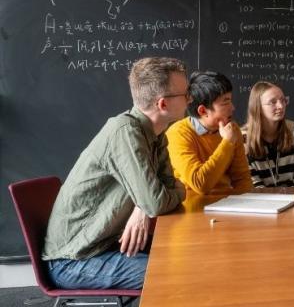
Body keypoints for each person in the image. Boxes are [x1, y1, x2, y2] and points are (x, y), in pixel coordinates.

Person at [42, 57, 187, 290]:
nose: (190, 98)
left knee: (192, 256)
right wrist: (152, 201)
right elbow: (157, 201)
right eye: (185, 94)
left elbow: (163, 192)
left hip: (108, 245)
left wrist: (144, 206)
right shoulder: (125, 133)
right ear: (163, 104)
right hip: (74, 261)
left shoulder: (156, 135)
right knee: (175, 275)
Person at [166, 71, 252, 199]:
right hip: (190, 207)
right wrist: (227, 143)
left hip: (226, 204)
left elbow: (242, 179)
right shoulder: (178, 133)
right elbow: (200, 184)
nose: (232, 108)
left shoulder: (232, 130)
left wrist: (247, 206)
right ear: (203, 110)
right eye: (225, 102)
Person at [243, 81, 294, 187]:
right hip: (257, 201)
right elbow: (253, 186)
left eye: (283, 100)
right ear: (257, 107)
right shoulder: (242, 138)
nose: (281, 106)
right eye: (272, 102)